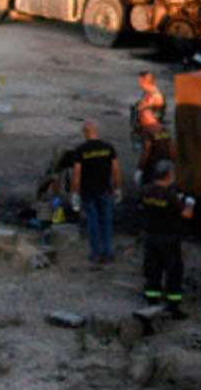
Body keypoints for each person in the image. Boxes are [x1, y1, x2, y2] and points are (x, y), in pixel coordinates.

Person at [139, 159, 193, 318]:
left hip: (150, 236)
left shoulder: (145, 190)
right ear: (169, 175)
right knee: (174, 271)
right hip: (169, 238)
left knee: (152, 269)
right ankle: (173, 306)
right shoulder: (171, 195)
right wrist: (190, 203)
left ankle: (151, 301)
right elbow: (187, 214)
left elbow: (140, 209)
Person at [69, 120, 122, 263]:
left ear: (85, 133)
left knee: (93, 222)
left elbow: (76, 175)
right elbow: (116, 170)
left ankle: (96, 253)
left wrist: (74, 193)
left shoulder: (81, 150)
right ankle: (108, 252)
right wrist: (117, 188)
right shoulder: (108, 147)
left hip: (88, 191)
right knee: (106, 221)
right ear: (96, 131)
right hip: (105, 189)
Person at [136, 107, 176, 184]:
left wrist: (140, 168)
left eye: (140, 119)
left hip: (153, 165)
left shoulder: (147, 130)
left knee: (150, 186)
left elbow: (146, 150)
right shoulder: (163, 129)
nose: (140, 122)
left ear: (144, 118)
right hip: (167, 162)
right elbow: (171, 146)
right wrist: (174, 162)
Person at [130, 69, 166, 149]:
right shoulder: (148, 93)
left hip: (150, 131)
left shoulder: (155, 96)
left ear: (144, 81)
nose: (139, 83)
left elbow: (157, 115)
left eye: (140, 81)